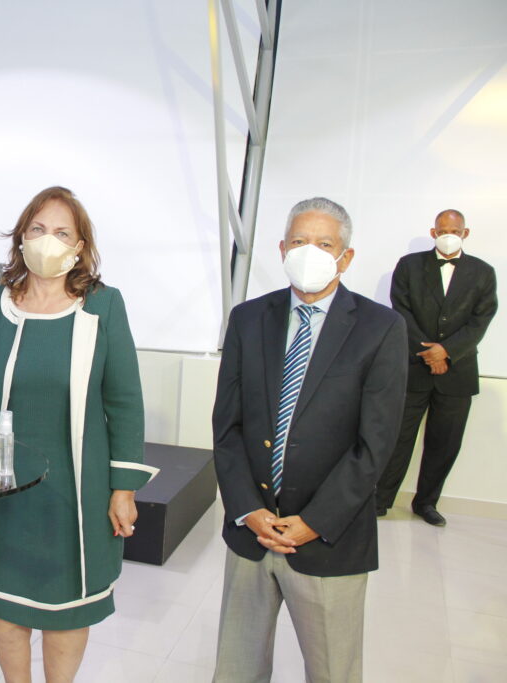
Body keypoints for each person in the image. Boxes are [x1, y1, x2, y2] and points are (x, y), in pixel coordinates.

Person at [0, 186, 158, 682]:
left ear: (80, 246)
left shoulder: (103, 307)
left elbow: (124, 401)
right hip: (1, 487)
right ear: (21, 237)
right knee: (3, 603)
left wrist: (124, 489)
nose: (49, 240)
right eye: (39, 228)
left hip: (76, 489)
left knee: (67, 608)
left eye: (63, 232)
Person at [211, 197, 407, 683]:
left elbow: (376, 444)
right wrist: (247, 509)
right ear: (282, 249)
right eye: (299, 241)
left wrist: (313, 522)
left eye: (324, 244)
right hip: (252, 532)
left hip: (329, 538)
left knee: (332, 670)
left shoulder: (381, 328)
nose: (309, 252)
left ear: (346, 256)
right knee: (236, 670)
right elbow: (227, 427)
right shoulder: (248, 318)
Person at [375, 210, 498, 526]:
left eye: (454, 231)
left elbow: (481, 320)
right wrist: (429, 352)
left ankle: (426, 503)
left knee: (445, 443)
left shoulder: (483, 272)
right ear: (433, 232)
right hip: (413, 368)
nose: (448, 235)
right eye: (442, 230)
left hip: (458, 373)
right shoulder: (409, 265)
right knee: (397, 438)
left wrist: (447, 352)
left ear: (465, 233)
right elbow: (400, 311)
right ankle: (379, 500)